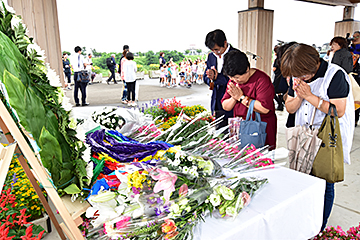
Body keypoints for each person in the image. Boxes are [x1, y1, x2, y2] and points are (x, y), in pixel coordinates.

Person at [281, 43, 354, 231]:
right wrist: (298, 95)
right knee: (302, 178)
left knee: (325, 182)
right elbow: (289, 108)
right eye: (295, 76)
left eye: (302, 75)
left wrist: (310, 96)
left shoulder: (335, 75)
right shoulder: (297, 75)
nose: (298, 78)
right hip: (303, 136)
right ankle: (304, 218)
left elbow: (338, 110)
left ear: (313, 64)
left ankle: (319, 227)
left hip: (326, 139)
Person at [221, 49, 277, 150]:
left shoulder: (262, 80)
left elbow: (264, 109)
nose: (235, 80)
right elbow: (225, 106)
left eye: (237, 77)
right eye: (232, 78)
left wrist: (241, 98)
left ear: (247, 69)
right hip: (241, 128)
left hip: (260, 128)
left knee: (261, 161)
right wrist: (234, 97)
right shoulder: (233, 81)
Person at [204, 29, 235, 131]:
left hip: (232, 103)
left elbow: (237, 80)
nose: (215, 52)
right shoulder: (211, 56)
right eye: (212, 50)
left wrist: (217, 77)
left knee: (233, 136)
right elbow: (206, 77)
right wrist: (210, 79)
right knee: (220, 135)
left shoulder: (236, 55)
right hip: (217, 103)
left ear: (225, 43)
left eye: (217, 49)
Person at [349, 31, 360, 127]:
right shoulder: (349, 50)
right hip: (351, 77)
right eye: (353, 36)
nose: (354, 38)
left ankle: (356, 119)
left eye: (357, 36)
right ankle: (353, 118)